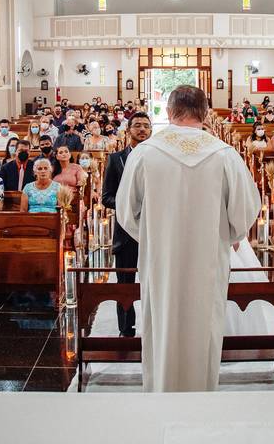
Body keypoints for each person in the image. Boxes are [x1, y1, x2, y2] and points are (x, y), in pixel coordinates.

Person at [116, 85, 260, 392]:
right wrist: (226, 235)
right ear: (205, 113)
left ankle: (161, 394)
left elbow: (126, 213)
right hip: (207, 261)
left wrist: (156, 236)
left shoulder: (144, 153)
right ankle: (200, 400)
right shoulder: (225, 155)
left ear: (168, 113)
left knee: (162, 326)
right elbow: (245, 211)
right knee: (203, 327)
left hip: (161, 262)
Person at [102, 111, 153, 338]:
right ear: (128, 130)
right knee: (125, 284)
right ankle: (126, 329)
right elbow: (106, 197)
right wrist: (128, 207)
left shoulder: (158, 159)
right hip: (125, 231)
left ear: (151, 130)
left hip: (153, 231)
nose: (142, 129)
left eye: (145, 125)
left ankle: (154, 327)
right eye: (137, 125)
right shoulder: (116, 159)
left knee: (154, 283)